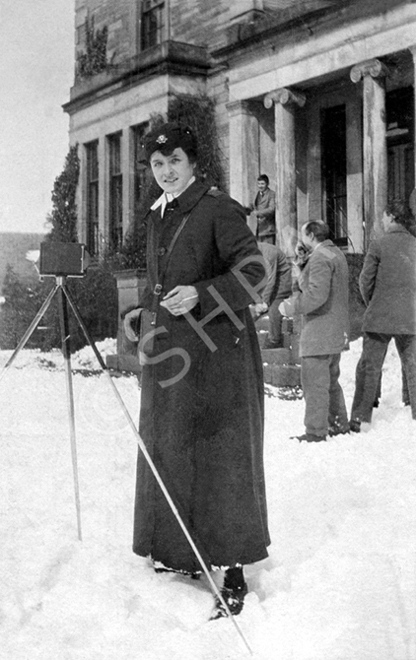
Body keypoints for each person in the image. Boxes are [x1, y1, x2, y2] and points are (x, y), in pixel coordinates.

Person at [123, 122, 270, 619]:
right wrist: (142, 314)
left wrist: (202, 294)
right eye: (158, 164)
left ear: (193, 164)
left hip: (217, 360)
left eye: (175, 162)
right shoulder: (158, 214)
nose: (166, 172)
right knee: (174, 447)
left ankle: (232, 571)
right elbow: (159, 280)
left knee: (222, 457)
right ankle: (186, 553)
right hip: (171, 356)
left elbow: (255, 273)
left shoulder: (217, 208)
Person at [279, 221, 350, 442]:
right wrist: (302, 269)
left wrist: (291, 306)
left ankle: (316, 432)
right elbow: (320, 287)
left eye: (303, 235)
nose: (301, 239)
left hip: (319, 331)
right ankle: (338, 424)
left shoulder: (319, 258)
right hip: (334, 329)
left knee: (314, 383)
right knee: (330, 380)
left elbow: (317, 295)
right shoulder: (334, 253)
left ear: (310, 235)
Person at [349, 200, 416, 431]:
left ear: (390, 217)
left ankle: (361, 419)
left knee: (369, 367)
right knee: (413, 367)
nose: (382, 220)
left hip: (380, 316)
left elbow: (365, 281)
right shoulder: (415, 245)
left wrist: (373, 303)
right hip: (410, 317)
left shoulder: (378, 245)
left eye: (384, 217)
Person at [250, 242, 292, 349]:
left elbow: (270, 281)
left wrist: (264, 302)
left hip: (283, 279)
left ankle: (274, 340)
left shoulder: (268, 255)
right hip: (266, 279)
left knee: (274, 306)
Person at [246, 174, 276, 244]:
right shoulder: (257, 194)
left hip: (268, 229)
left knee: (268, 250)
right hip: (258, 229)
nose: (260, 186)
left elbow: (272, 209)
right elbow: (253, 206)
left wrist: (258, 213)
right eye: (259, 184)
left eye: (262, 184)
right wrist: (247, 209)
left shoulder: (272, 194)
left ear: (267, 184)